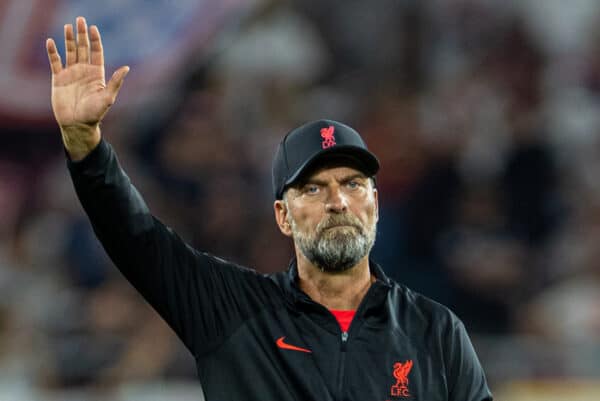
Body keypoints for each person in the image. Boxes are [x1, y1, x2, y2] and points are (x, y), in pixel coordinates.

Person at [46, 16, 493, 401]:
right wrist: (87, 147)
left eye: (353, 185)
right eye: (314, 189)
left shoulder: (435, 332)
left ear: (374, 204)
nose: (338, 201)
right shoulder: (234, 313)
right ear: (282, 215)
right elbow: (136, 237)